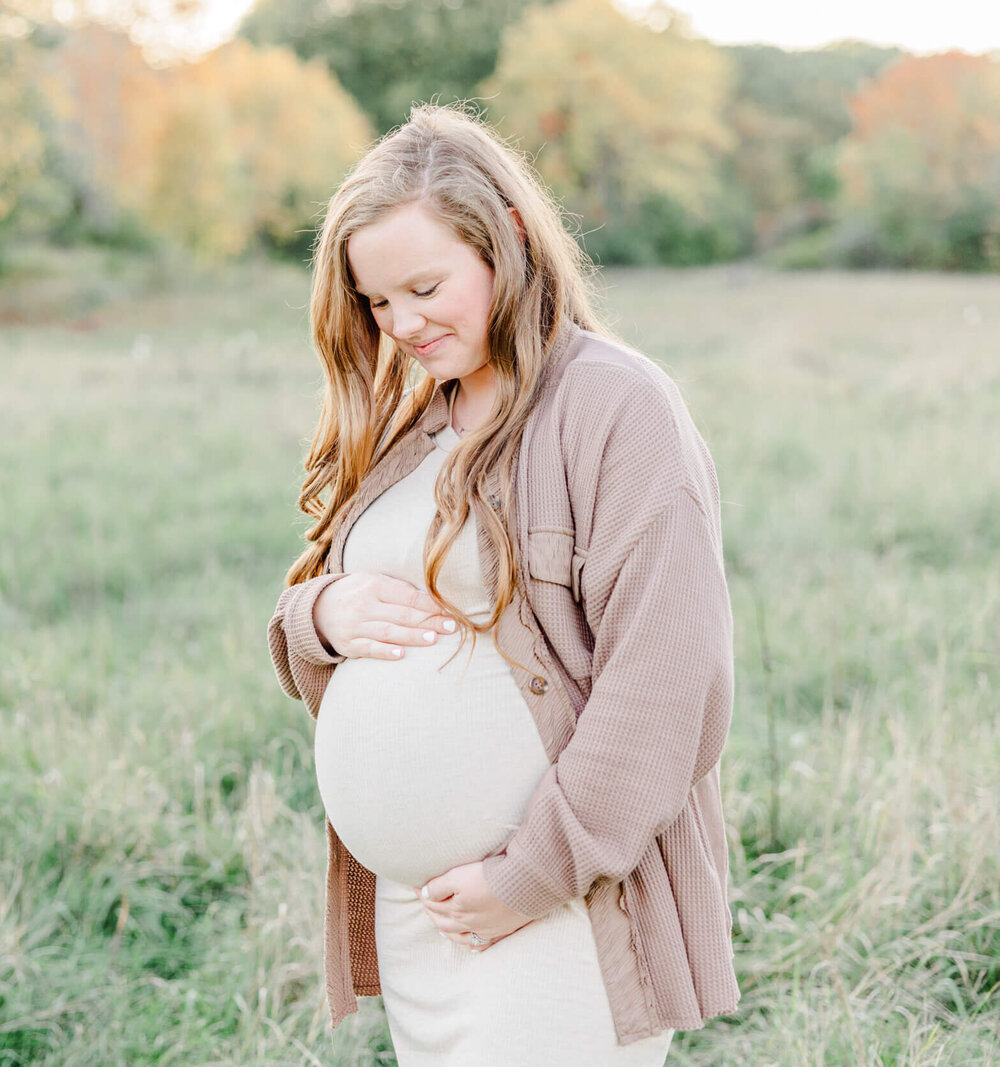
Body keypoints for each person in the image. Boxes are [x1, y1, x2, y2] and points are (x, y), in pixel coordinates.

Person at [265, 104, 740, 1065]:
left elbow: (666, 675)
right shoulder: (414, 421)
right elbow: (308, 606)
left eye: (425, 286)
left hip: (553, 904)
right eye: (376, 302)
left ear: (509, 240)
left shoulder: (613, 405)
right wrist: (319, 611)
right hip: (418, 913)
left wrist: (527, 875)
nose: (401, 324)